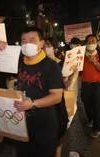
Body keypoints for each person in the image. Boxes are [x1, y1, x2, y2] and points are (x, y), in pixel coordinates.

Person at [13, 27, 65, 157]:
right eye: (23, 41)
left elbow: (57, 96)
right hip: (22, 125)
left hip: (44, 126)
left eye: (32, 40)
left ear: (41, 44)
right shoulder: (18, 63)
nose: (27, 44)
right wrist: (0, 49)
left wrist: (33, 104)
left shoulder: (51, 66)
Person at [81, 34, 100, 138]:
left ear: (96, 43)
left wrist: (95, 62)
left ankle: (97, 128)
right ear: (86, 43)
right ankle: (91, 119)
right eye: (89, 41)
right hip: (85, 85)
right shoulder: (81, 55)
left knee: (97, 107)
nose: (91, 43)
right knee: (87, 105)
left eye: (93, 41)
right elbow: (78, 71)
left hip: (98, 85)